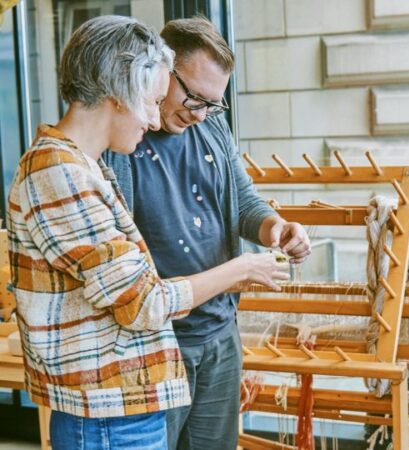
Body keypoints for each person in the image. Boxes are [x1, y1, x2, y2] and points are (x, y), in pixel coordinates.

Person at [6, 16, 289, 450]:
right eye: (152, 98)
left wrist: (266, 235)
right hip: (108, 407)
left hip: (126, 398)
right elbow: (145, 302)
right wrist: (242, 268)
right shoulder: (58, 171)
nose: (155, 115)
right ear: (120, 91)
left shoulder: (82, 165)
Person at [104, 16, 310, 450]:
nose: (198, 113)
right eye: (193, 96)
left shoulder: (210, 124)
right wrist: (241, 267)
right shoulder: (120, 141)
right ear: (159, 71)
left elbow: (244, 200)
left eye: (212, 103)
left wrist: (276, 227)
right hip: (155, 343)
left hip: (219, 335)